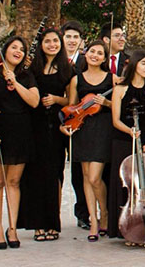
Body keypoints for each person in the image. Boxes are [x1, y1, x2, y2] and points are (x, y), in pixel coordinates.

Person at [0, 36, 40, 249]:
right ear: (5, 50)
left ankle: (12, 228)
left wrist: (16, 81)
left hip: (20, 132)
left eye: (22, 49)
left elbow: (34, 101)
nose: (18, 51)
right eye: (14, 47)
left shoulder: (26, 75)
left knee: (13, 182)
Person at [17, 28, 71, 242]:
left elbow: (72, 101)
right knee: (34, 176)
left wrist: (57, 100)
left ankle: (52, 224)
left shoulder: (68, 70)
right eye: (47, 41)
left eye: (55, 41)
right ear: (41, 44)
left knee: (54, 175)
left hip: (55, 128)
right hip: (34, 126)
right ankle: (37, 224)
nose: (52, 45)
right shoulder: (33, 69)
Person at [60, 40, 113, 242]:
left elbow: (119, 104)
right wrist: (66, 124)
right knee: (85, 177)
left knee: (94, 178)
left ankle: (105, 213)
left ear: (105, 58)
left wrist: (105, 102)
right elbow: (72, 107)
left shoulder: (112, 78)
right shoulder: (77, 79)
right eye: (92, 51)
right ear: (86, 54)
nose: (95, 55)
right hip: (82, 130)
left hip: (102, 130)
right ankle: (93, 220)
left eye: (100, 53)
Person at [107, 49, 145, 240]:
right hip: (124, 141)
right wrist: (130, 132)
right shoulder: (120, 89)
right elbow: (116, 120)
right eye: (144, 63)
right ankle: (125, 228)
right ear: (134, 65)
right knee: (125, 184)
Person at [61, 20, 89, 230]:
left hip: (81, 120)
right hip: (56, 120)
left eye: (75, 37)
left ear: (81, 41)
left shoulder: (87, 62)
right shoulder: (53, 61)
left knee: (80, 169)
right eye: (68, 36)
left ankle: (83, 213)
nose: (71, 41)